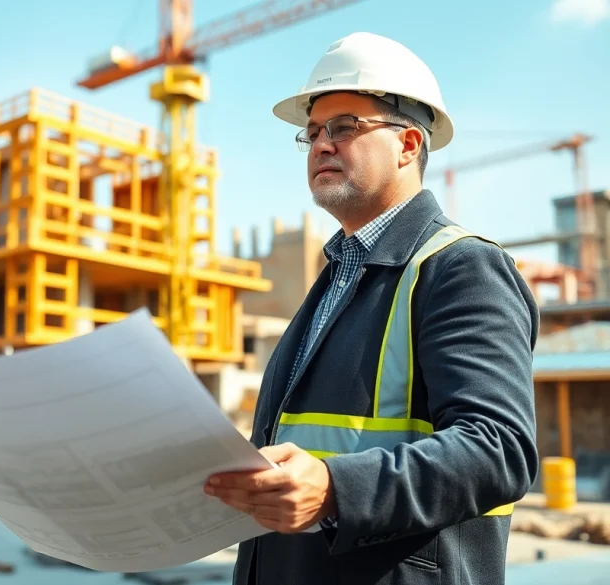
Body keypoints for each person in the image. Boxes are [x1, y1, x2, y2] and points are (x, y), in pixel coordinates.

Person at [203, 32, 539, 584]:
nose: (320, 145)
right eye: (312, 133)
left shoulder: (459, 268)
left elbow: (498, 449)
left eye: (345, 127)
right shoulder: (338, 275)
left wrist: (337, 489)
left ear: (408, 145)